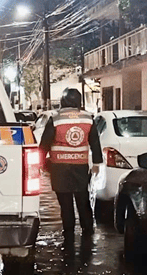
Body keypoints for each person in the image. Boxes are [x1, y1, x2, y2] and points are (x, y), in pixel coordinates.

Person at [39, 88, 103, 238]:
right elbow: (95, 142)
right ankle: (88, 231)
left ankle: (69, 233)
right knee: (83, 200)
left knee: (65, 204)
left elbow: (44, 145)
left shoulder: (55, 119)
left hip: (59, 168)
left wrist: (41, 164)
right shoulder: (88, 118)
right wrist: (96, 164)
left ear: (63, 101)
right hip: (80, 167)